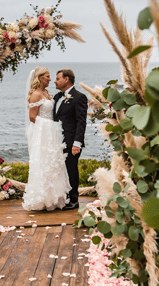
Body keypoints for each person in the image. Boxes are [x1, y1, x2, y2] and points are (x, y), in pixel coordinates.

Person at [22, 66, 71, 211]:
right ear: (40, 77)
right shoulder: (36, 94)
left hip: (52, 134)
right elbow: (32, 117)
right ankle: (41, 199)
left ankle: (53, 198)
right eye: (48, 76)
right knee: (42, 163)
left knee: (53, 163)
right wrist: (50, 125)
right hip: (43, 134)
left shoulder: (47, 93)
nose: (50, 79)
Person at [53, 69, 88, 210]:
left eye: (57, 78)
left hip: (71, 142)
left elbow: (81, 122)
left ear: (66, 79)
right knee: (61, 171)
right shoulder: (56, 97)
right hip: (57, 142)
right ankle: (64, 197)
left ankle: (74, 200)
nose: (55, 81)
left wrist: (77, 143)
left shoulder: (79, 97)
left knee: (71, 170)